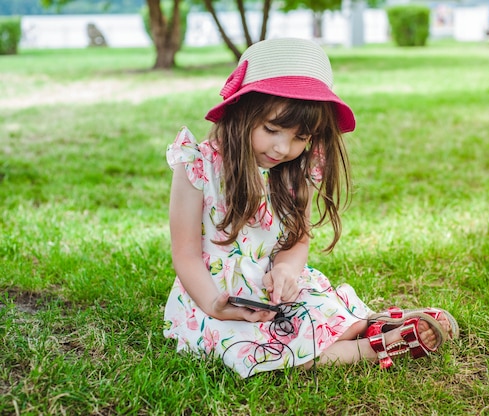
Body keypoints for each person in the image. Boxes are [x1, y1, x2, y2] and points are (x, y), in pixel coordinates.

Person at [162, 37, 459, 378]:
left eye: (300, 137)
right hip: (213, 293)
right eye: (271, 129)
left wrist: (287, 270)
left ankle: (371, 325)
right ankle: (377, 346)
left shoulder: (294, 171)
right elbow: (184, 253)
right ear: (242, 113)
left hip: (274, 288)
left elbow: (297, 240)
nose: (282, 148)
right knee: (267, 349)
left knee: (321, 318)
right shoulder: (197, 164)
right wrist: (214, 303)